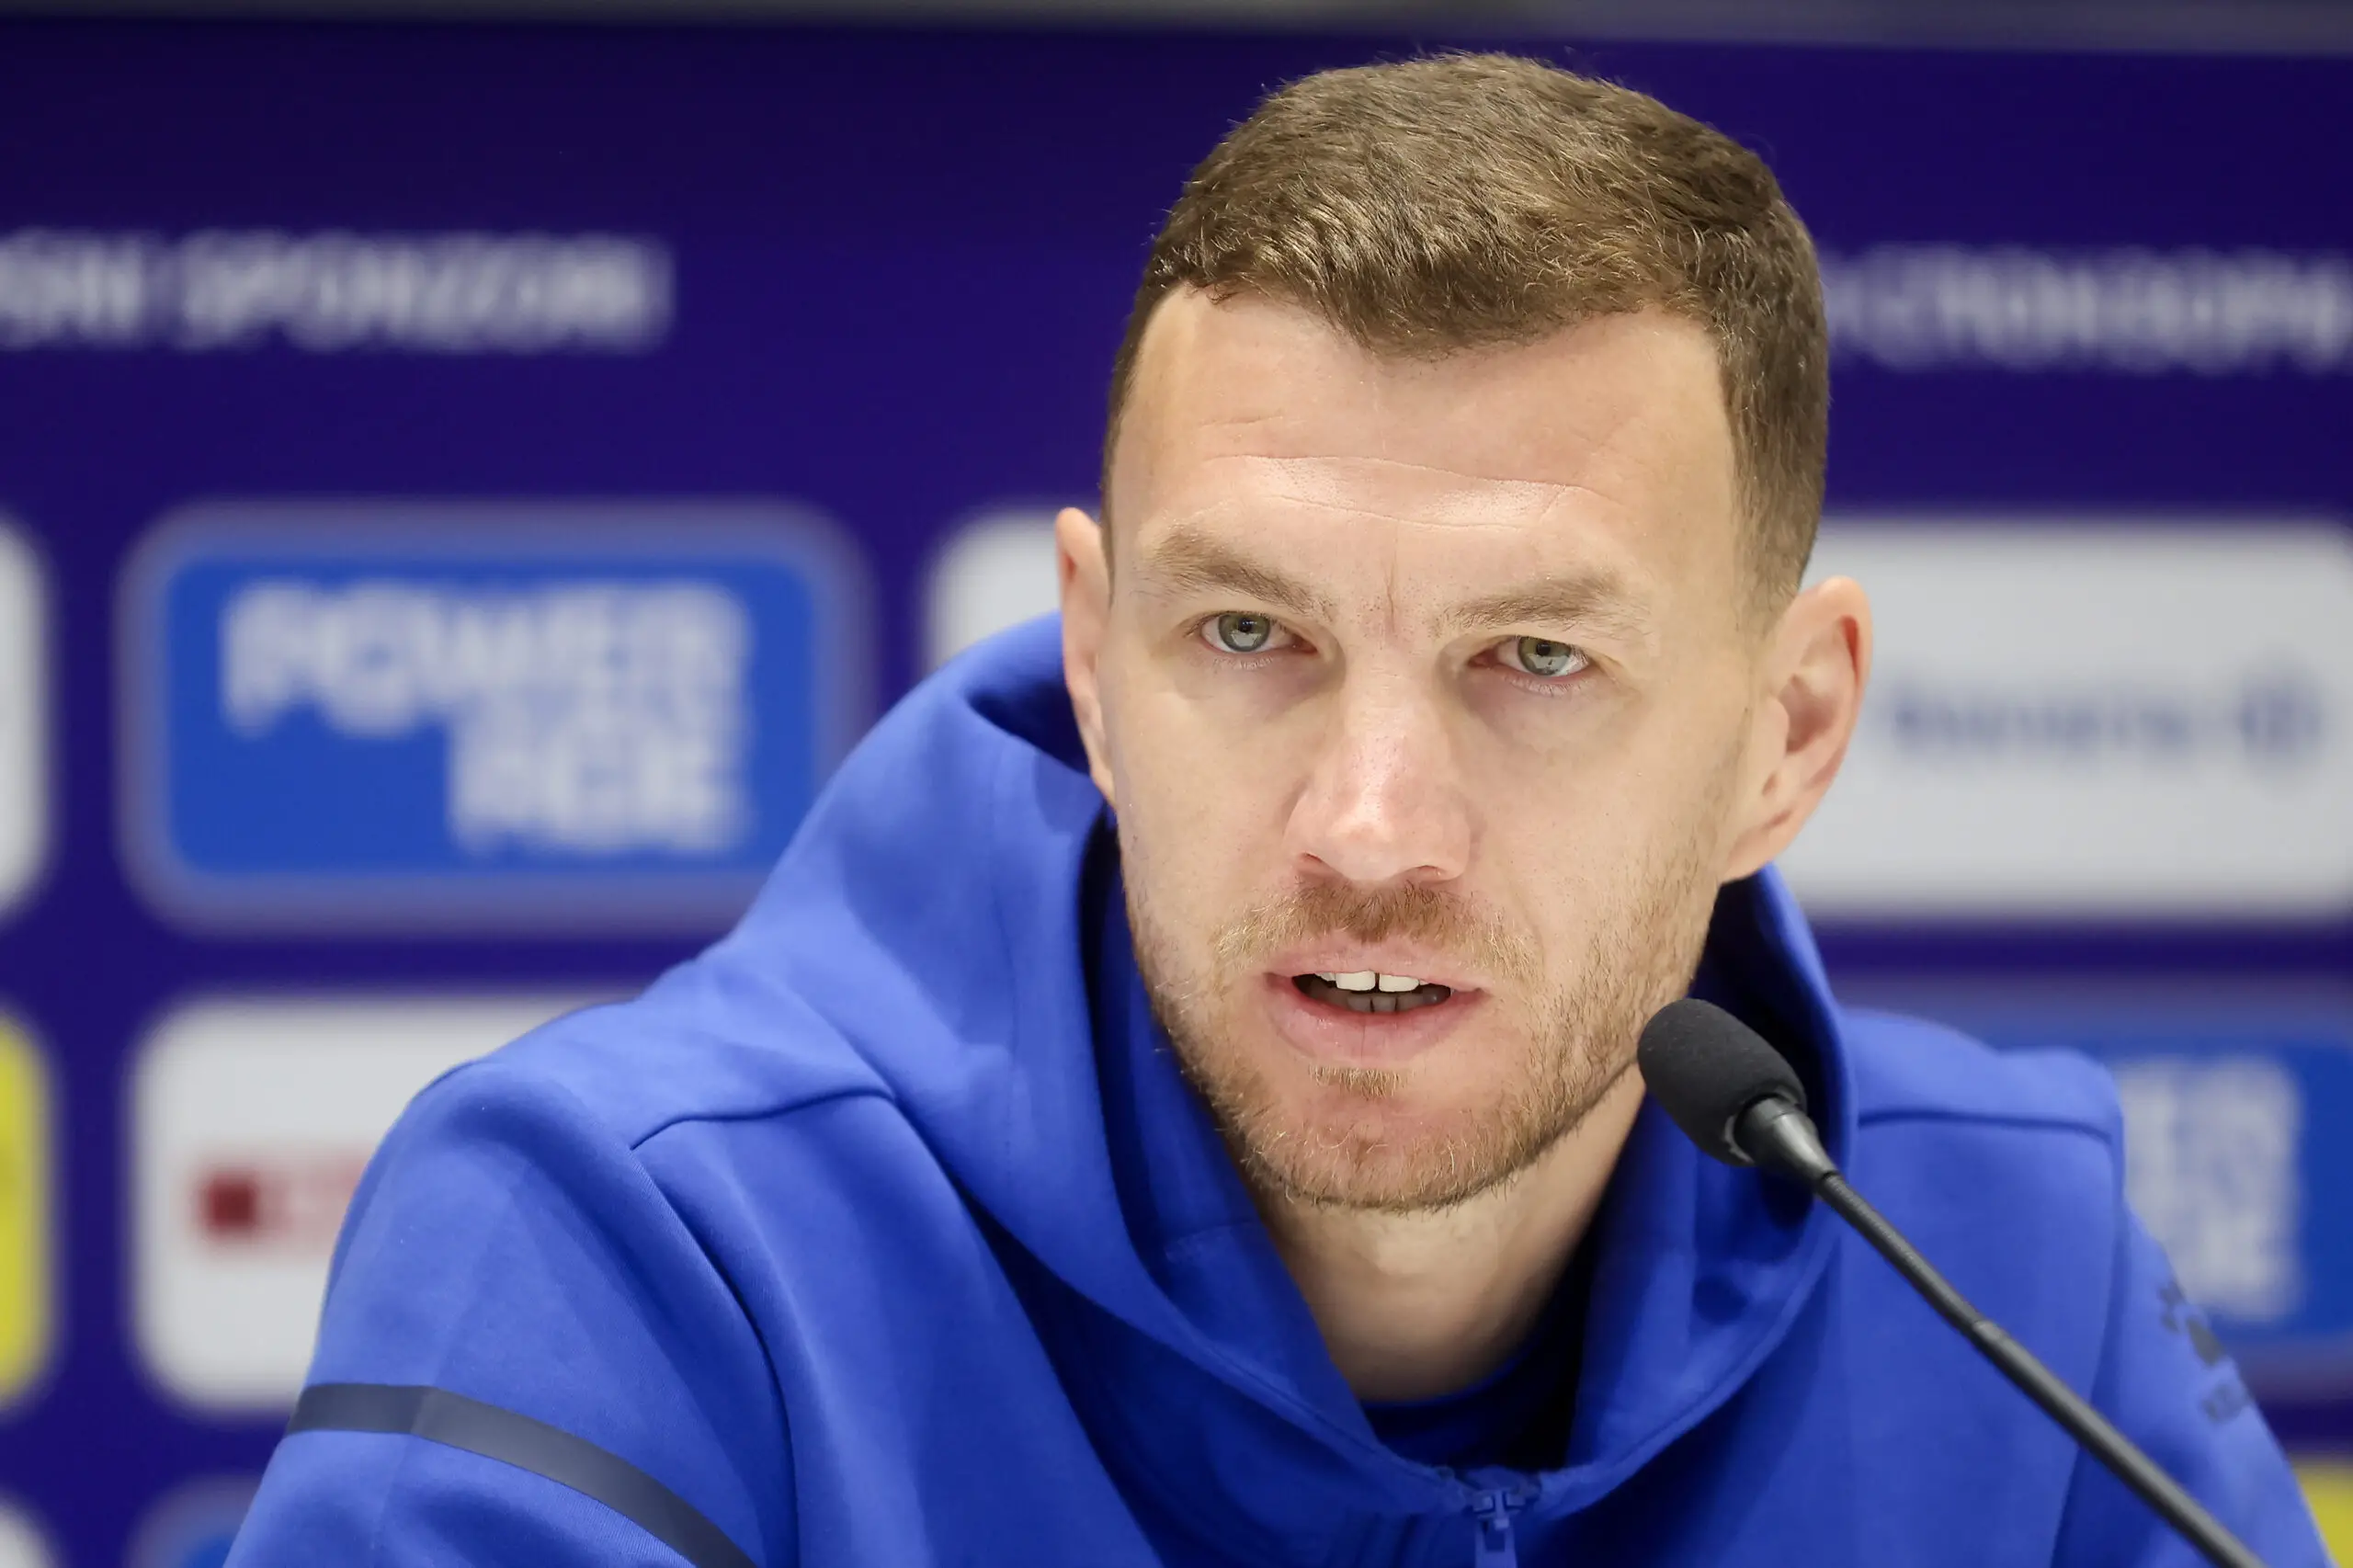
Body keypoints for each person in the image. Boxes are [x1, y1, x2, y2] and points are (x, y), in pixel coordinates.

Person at [228, 53, 2326, 1568]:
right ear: (1094, 657)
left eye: (1534, 658)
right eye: (1249, 634)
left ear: (1786, 733)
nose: (1371, 828)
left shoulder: (2004, 1258)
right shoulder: (627, 1242)